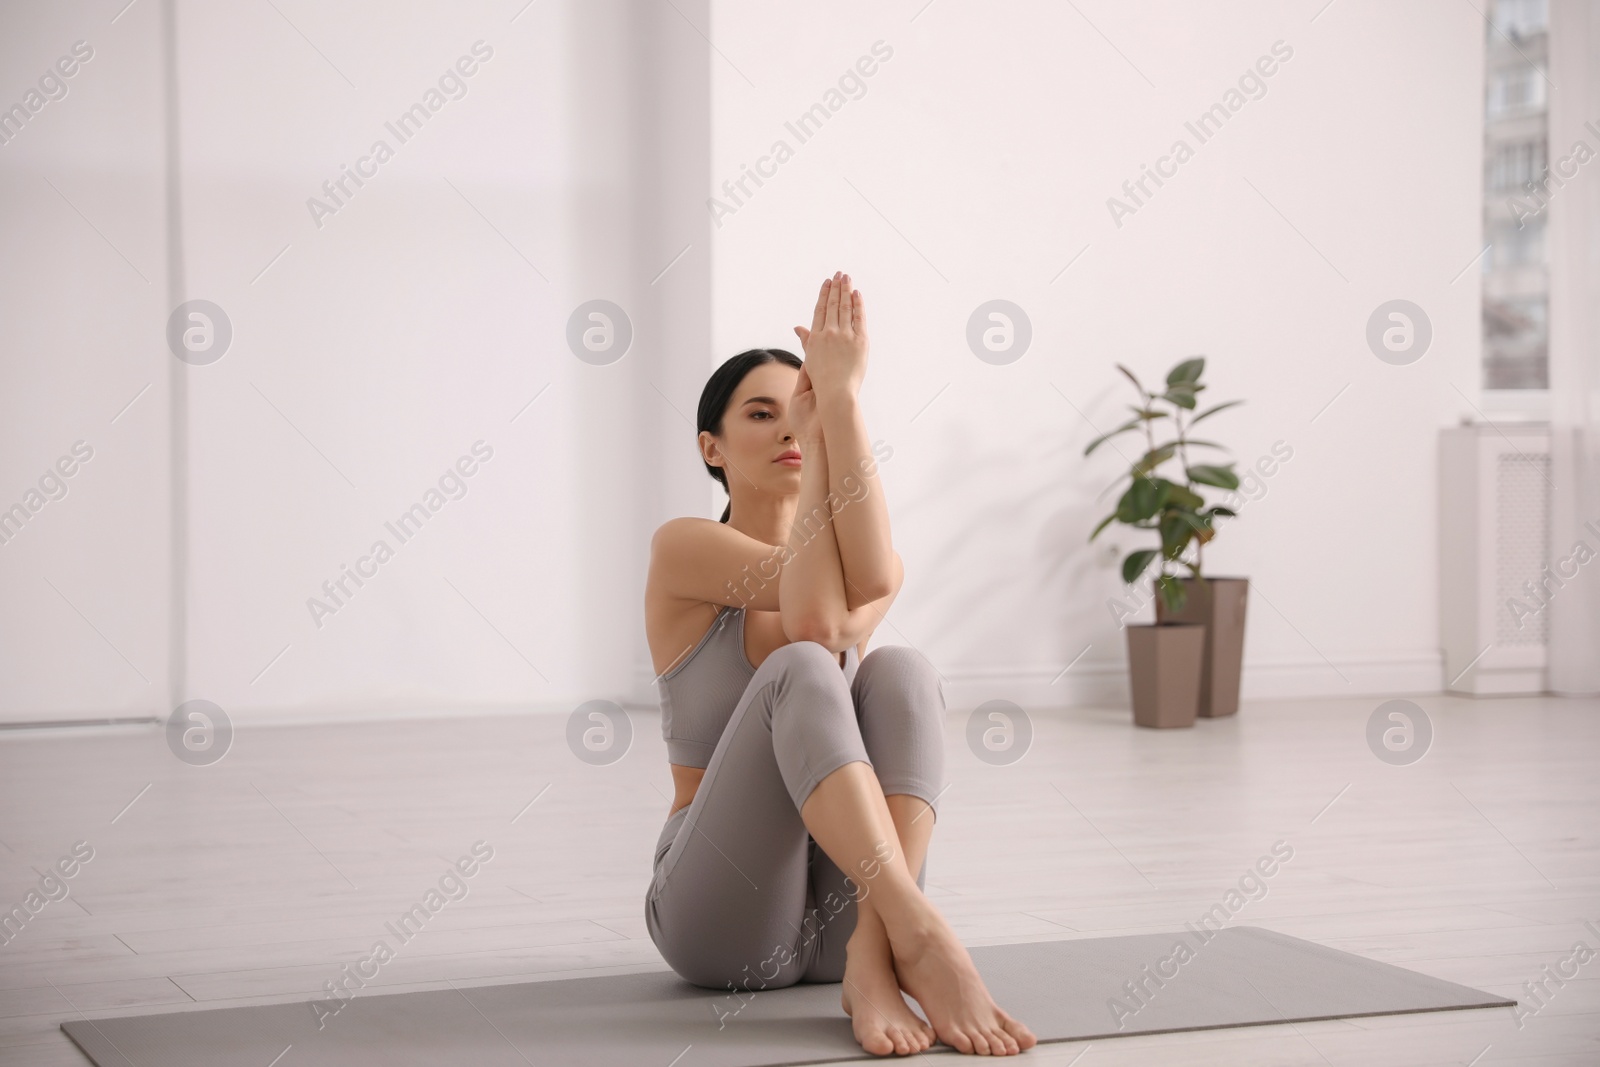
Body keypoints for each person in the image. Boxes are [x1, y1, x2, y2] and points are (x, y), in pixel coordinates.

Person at [642, 272, 1037, 1057]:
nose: (791, 426)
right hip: (718, 920)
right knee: (806, 666)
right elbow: (815, 622)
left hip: (843, 927)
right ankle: (920, 929)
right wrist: (822, 437)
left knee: (904, 670)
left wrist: (845, 402)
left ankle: (875, 951)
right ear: (710, 447)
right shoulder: (681, 547)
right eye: (764, 413)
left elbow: (857, 585)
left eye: (802, 406)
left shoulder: (861, 553)